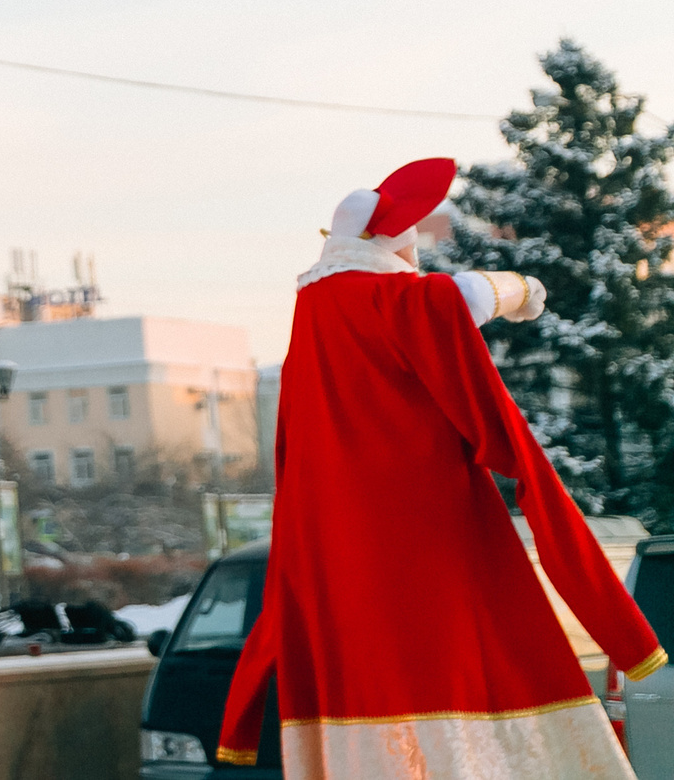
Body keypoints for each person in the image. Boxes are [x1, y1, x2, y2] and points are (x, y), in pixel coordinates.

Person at [217, 158, 662, 775]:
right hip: (423, 534)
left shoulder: (309, 330)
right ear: (391, 245)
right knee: (475, 677)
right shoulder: (390, 298)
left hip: (334, 557)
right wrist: (523, 290)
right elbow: (459, 298)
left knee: (367, 696)